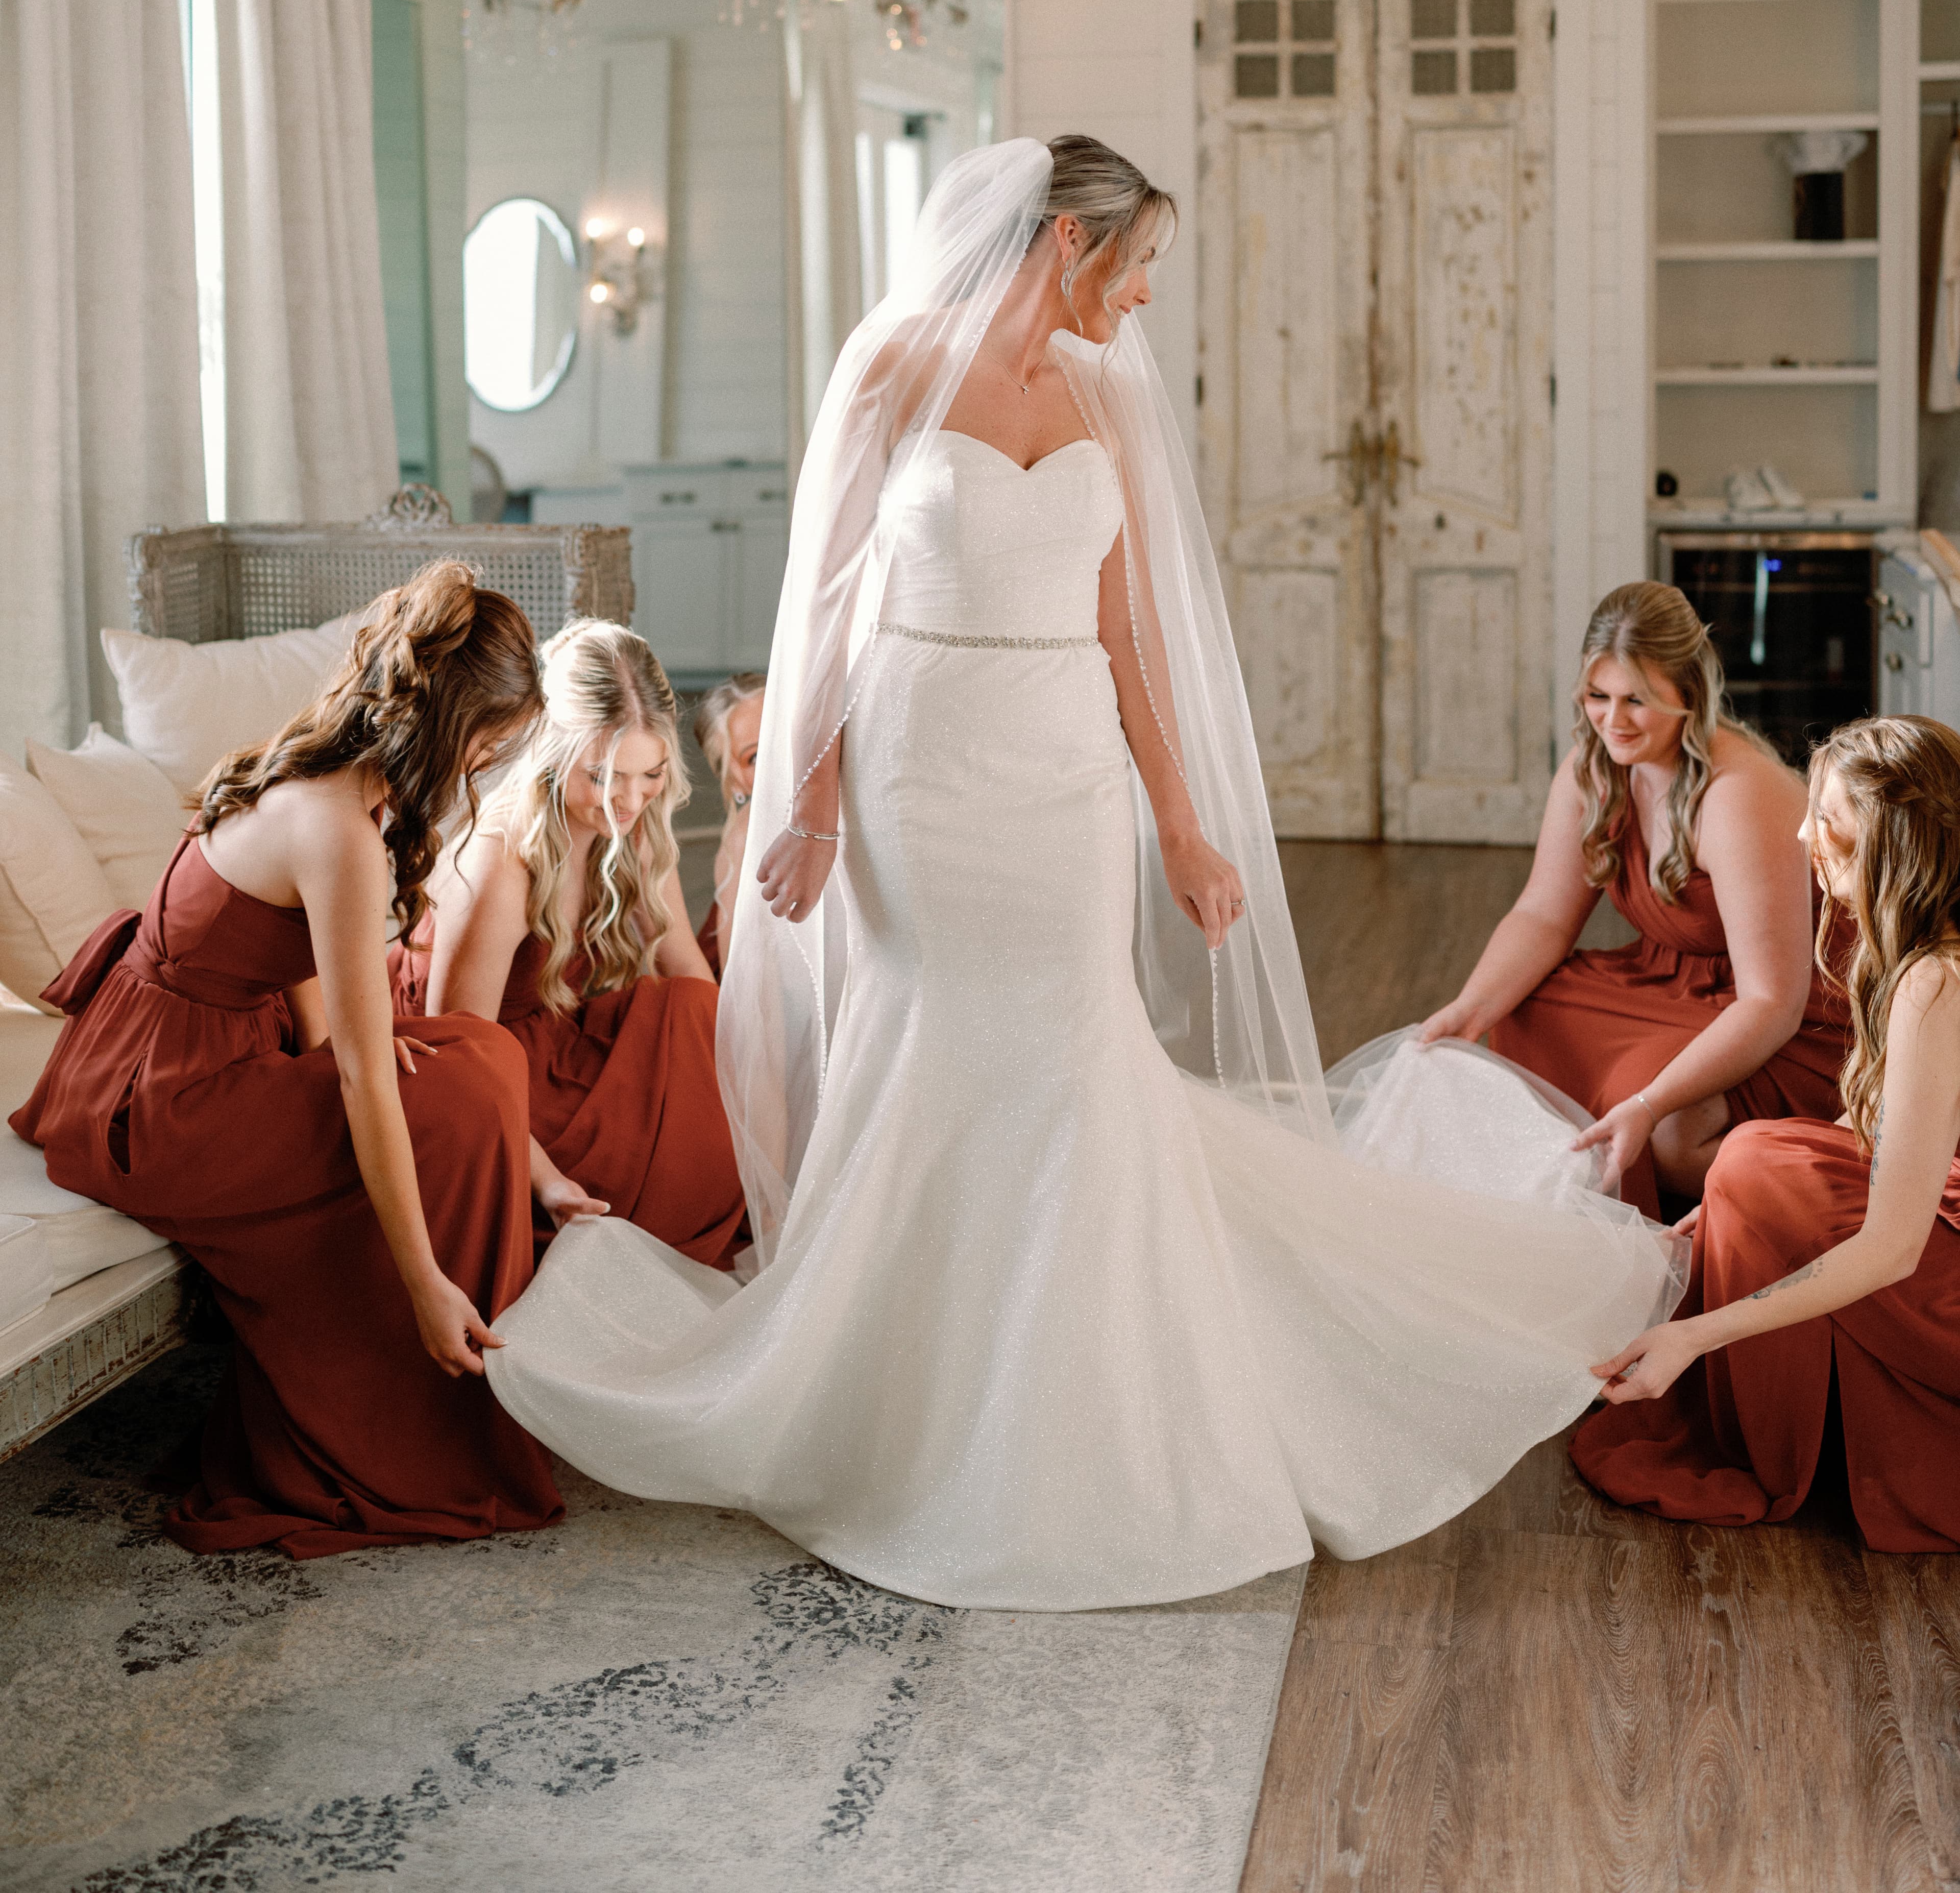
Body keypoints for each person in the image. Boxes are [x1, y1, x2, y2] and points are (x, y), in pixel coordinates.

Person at [482, 135, 1683, 1612]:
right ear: (1066, 242)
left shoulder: (1104, 393)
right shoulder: (892, 375)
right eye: (1144, 263)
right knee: (934, 1051)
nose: (1151, 296)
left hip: (1063, 776)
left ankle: (1083, 1386)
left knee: (1076, 1051)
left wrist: (1180, 821)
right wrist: (805, 804)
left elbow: (1132, 640)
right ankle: (919, 1397)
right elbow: (832, 608)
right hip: (921, 771)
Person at [10, 563, 561, 1559]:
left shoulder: (325, 769)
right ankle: (423, 1403)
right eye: (488, 743)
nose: (488, 764)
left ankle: (447, 1399)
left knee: (475, 1060)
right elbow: (358, 1077)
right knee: (462, 1095)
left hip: (167, 1056)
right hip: (163, 1106)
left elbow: (312, 994)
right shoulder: (334, 822)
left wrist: (349, 1059)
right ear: (447, 726)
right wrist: (425, 1279)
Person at [1578, 715, 1960, 1551]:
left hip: (1945, 1284)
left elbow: (1893, 1249)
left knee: (1755, 1165)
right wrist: (1719, 1209)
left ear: (1897, 843)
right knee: (1758, 1159)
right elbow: (1897, 1131)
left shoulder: (1936, 981)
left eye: (1828, 822)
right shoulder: (1920, 947)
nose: (1801, 834)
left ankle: (1777, 1432)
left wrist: (1694, 1334)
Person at [1417, 583, 1844, 1216]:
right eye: (1599, 696)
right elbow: (1542, 914)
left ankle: (1814, 1192)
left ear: (1688, 698)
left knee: (1666, 1129)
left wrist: (1649, 1105)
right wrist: (1468, 1010)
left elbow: (1773, 1002)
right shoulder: (1595, 767)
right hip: (1671, 981)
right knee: (1521, 1013)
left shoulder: (1736, 794)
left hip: (1799, 1005)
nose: (1613, 720)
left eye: (1636, 701)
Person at [397, 621, 745, 1271]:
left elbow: (690, 976)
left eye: (652, 775)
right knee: (666, 1160)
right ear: (553, 753)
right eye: (606, 776)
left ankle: (687, 1206)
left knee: (694, 1012)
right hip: (476, 1074)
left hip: (557, 1043)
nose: (632, 799)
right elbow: (458, 1060)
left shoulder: (636, 827)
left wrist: (767, 1104)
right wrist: (546, 1179)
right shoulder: (500, 862)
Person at [693, 671, 765, 977]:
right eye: (757, 757)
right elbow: (739, 983)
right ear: (735, 784)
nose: (785, 758)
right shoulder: (744, 839)